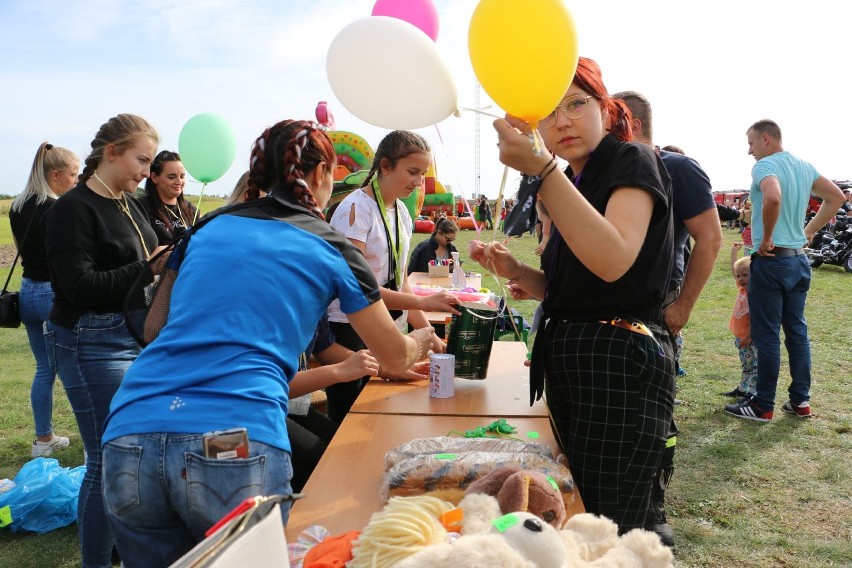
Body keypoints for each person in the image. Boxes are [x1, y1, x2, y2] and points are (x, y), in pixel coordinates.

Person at [100, 119, 435, 567]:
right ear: (319, 176)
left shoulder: (207, 228)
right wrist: (422, 339)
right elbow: (393, 355)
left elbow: (153, 328)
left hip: (130, 432)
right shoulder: (329, 244)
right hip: (231, 439)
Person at [470, 57, 675, 534]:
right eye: (548, 113)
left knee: (612, 521)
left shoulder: (631, 159)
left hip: (618, 366)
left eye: (576, 104)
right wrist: (518, 269)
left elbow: (614, 259)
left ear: (605, 109)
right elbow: (580, 287)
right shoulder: (575, 180)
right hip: (577, 363)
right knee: (582, 506)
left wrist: (544, 170)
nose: (561, 121)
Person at [43, 114, 162, 568]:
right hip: (90, 341)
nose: (145, 172)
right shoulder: (71, 209)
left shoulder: (126, 202)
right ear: (111, 153)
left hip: (131, 336)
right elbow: (79, 288)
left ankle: (118, 550)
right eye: (142, 159)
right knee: (107, 460)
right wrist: (147, 268)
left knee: (131, 455)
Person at [613, 91, 722, 546]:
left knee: (656, 418)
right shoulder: (613, 172)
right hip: (608, 315)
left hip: (656, 317)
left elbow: (711, 238)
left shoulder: (678, 168)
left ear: (630, 123)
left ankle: (653, 506)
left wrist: (681, 309)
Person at [326, 130, 459, 424]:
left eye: (422, 174)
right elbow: (358, 287)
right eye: (412, 172)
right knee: (351, 420)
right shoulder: (355, 209)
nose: (418, 182)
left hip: (387, 326)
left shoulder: (401, 212)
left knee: (386, 416)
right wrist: (426, 303)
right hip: (350, 328)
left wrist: (432, 335)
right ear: (385, 166)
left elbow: (400, 281)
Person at [725, 120, 845, 422]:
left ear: (766, 139)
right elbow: (836, 197)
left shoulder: (765, 166)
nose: (749, 150)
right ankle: (800, 401)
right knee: (797, 333)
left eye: (751, 143)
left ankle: (762, 405)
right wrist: (808, 232)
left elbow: (774, 196)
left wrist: (765, 240)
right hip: (798, 262)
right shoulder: (804, 165)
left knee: (766, 336)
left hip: (772, 261)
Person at [9, 142, 79, 457]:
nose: (76, 181)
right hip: (52, 293)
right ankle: (91, 438)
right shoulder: (57, 208)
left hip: (27, 291)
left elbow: (22, 251)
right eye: (73, 175)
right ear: (54, 175)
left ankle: (43, 439)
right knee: (73, 367)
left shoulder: (17, 206)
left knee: (44, 368)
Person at [722, 243, 758, 400]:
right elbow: (734, 270)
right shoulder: (742, 288)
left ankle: (752, 392)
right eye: (739, 276)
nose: (740, 279)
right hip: (740, 336)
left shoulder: (754, 293)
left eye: (745, 275)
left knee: (755, 366)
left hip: (749, 338)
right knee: (746, 365)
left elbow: (755, 319)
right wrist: (733, 253)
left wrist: (748, 338)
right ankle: (743, 389)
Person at [140, 150, 197, 244]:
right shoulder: (139, 208)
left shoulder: (192, 211)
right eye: (171, 177)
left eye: (182, 176)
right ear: (154, 177)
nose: (179, 182)